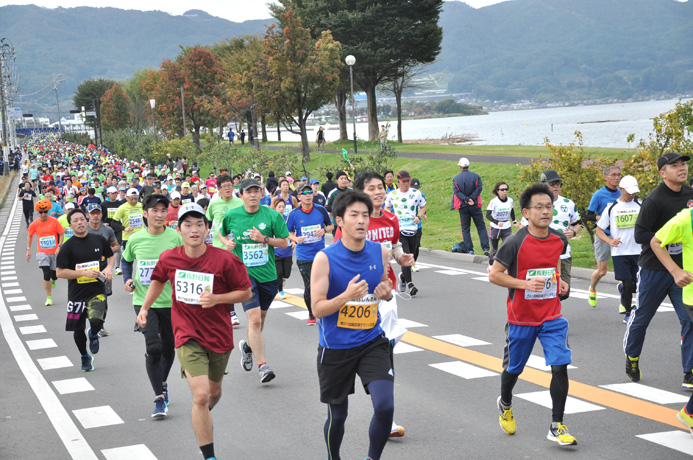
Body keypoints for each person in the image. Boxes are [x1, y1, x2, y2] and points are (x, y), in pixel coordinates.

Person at [137, 202, 252, 460]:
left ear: (207, 228)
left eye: (199, 224)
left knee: (213, 394)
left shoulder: (225, 260)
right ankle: (209, 455)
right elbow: (158, 279)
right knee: (200, 396)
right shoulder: (170, 258)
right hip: (187, 334)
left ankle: (203, 415)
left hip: (219, 336)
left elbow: (245, 292)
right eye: (187, 225)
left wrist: (217, 299)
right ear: (179, 230)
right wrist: (145, 308)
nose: (194, 229)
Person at [489, 183, 576, 447]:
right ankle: (505, 403)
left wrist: (559, 281)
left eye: (548, 207)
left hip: (551, 315)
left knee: (560, 366)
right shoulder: (514, 242)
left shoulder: (559, 238)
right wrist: (525, 284)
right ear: (526, 212)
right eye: (539, 207)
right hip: (521, 318)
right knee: (513, 369)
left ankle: (556, 425)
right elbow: (494, 275)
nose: (545, 212)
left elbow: (555, 262)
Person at [311, 190, 395, 460]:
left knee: (385, 406)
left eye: (365, 215)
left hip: (372, 341)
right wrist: (346, 296)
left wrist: (387, 293)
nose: (361, 221)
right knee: (338, 416)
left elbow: (384, 287)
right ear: (339, 220)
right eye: (354, 215)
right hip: (335, 348)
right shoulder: (325, 258)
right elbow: (317, 308)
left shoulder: (379, 252)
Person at [341, 171, 414, 438]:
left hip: (386, 293)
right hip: (361, 296)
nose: (378, 192)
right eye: (371, 188)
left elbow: (393, 246)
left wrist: (401, 257)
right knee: (362, 351)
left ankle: (386, 415)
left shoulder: (392, 219)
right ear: (360, 193)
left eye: (381, 187)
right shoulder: (353, 222)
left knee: (386, 350)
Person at [625, 152, 693, 389]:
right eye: (674, 166)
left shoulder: (690, 196)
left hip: (682, 270)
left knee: (689, 319)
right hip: (654, 269)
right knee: (643, 317)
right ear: (662, 173)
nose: (681, 168)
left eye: (683, 164)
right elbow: (640, 234)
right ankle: (632, 356)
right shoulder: (654, 200)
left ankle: (690, 372)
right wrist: (668, 235)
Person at [219, 179, 289, 383]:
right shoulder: (232, 215)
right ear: (240, 195)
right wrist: (228, 243)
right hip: (243, 275)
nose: (253, 195)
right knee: (255, 320)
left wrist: (264, 239)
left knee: (261, 319)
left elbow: (284, 242)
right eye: (248, 192)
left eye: (256, 191)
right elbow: (222, 234)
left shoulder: (272, 215)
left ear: (261, 194)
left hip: (268, 276)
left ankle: (248, 347)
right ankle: (263, 366)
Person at [122, 195, 183, 417]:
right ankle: (159, 398)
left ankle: (163, 381)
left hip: (171, 302)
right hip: (143, 302)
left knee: (168, 347)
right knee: (154, 347)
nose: (159, 214)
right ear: (145, 214)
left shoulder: (175, 238)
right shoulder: (136, 239)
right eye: (154, 210)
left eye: (163, 210)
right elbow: (126, 260)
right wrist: (127, 279)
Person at [649, 203, 693, 436]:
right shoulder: (688, 218)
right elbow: (655, 241)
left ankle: (690, 412)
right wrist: (676, 271)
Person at [56, 208, 115, 372]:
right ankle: (84, 356)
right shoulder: (67, 247)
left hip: (96, 290)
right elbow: (60, 272)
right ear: (70, 225)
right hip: (76, 294)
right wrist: (83, 273)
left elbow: (111, 256)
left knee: (96, 321)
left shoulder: (98, 240)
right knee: (77, 329)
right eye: (75, 221)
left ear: (86, 219)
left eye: (82, 219)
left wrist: (109, 268)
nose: (80, 223)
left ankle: (94, 333)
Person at [596, 176, 642, 322]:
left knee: (638, 285)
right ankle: (628, 314)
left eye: (634, 192)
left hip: (639, 252)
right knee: (628, 284)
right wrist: (610, 241)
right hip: (620, 253)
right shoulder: (612, 208)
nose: (632, 195)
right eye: (629, 192)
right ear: (621, 189)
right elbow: (599, 230)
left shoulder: (641, 205)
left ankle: (622, 290)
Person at [286, 182, 334, 325]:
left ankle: (325, 310)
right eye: (304, 194)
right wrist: (295, 238)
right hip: (304, 256)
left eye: (309, 193)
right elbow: (286, 232)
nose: (308, 196)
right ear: (299, 196)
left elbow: (331, 225)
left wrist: (324, 231)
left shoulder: (320, 210)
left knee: (325, 284)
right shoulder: (294, 214)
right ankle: (311, 313)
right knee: (309, 287)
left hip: (321, 255)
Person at [586, 165, 622, 307]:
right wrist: (600, 218)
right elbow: (588, 215)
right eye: (613, 175)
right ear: (605, 177)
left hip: (620, 237)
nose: (617, 177)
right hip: (604, 236)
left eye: (619, 175)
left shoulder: (623, 193)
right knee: (602, 272)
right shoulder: (599, 195)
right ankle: (592, 288)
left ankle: (624, 301)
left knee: (624, 273)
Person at [384, 171, 426, 296]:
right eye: (404, 181)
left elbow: (423, 207)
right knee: (406, 255)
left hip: (414, 229)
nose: (406, 183)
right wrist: (391, 218)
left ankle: (403, 276)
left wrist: (419, 216)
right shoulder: (392, 194)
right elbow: (387, 208)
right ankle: (410, 285)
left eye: (408, 181)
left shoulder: (416, 193)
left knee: (414, 255)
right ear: (398, 181)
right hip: (399, 230)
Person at [26, 199, 65, 306]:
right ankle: (49, 297)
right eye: (41, 212)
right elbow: (30, 235)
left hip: (54, 252)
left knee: (54, 275)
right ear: (38, 213)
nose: (43, 214)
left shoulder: (54, 221)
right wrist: (28, 250)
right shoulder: (35, 224)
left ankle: (54, 279)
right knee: (46, 273)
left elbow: (61, 233)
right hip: (42, 252)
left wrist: (59, 246)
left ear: (48, 211)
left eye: (45, 212)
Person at [451, 157, 489, 255]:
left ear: (460, 166)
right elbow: (479, 188)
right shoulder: (476, 176)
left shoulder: (456, 178)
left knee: (465, 228)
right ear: (468, 165)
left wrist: (466, 199)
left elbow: (457, 192)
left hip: (463, 206)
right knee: (481, 227)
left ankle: (470, 249)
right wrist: (472, 198)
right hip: (475, 205)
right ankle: (486, 248)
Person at [486, 181, 518, 267]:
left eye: (506, 189)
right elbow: (487, 215)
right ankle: (491, 266)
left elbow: (511, 211)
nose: (505, 191)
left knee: (507, 246)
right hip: (495, 228)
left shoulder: (510, 200)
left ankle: (504, 266)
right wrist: (497, 222)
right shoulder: (494, 201)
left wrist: (514, 221)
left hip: (507, 227)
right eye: (502, 189)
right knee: (494, 249)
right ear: (497, 191)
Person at [273, 200, 295, 300]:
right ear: (275, 208)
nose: (281, 209)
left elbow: (293, 231)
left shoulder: (288, 219)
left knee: (287, 274)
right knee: (279, 273)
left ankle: (282, 280)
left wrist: (294, 241)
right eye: (279, 207)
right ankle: (280, 290)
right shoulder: (271, 219)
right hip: (275, 251)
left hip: (287, 250)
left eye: (283, 207)